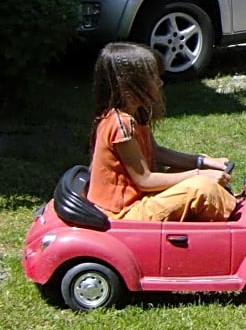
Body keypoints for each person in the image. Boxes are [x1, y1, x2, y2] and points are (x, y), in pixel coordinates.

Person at [86, 42, 236, 221]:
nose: (160, 82)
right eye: (153, 77)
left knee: (193, 174)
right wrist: (201, 174)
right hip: (121, 214)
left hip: (137, 200)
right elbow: (145, 180)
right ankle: (235, 222)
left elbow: (156, 152)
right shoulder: (120, 124)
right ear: (131, 82)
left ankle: (228, 208)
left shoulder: (133, 115)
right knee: (201, 186)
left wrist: (202, 161)